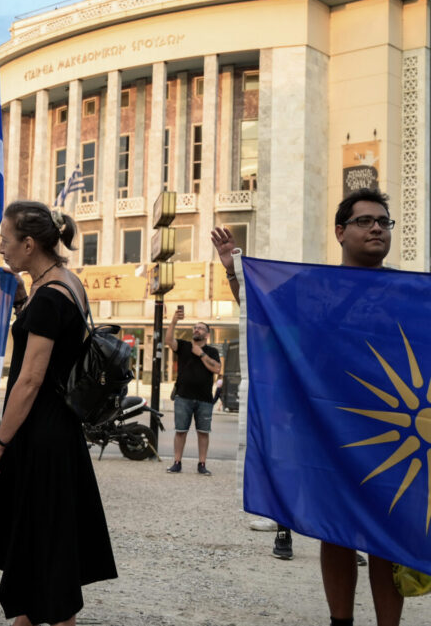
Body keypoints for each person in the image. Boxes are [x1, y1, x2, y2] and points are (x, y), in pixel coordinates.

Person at [213, 188, 404, 626]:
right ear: (340, 232)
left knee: (386, 537)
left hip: (389, 436)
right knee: (334, 530)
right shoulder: (312, 287)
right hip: (326, 430)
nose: (376, 228)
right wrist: (234, 272)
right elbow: (264, 315)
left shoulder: (407, 293)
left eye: (383, 222)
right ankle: (341, 622)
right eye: (365, 221)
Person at [0, 201, 117, 626]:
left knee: (44, 543)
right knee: (43, 539)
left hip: (40, 434)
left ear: (29, 243)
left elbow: (30, 379)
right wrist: (23, 299)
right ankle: (25, 617)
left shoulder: (48, 298)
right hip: (61, 430)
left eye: (6, 239)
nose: (1, 247)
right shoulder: (66, 283)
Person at [164, 313, 221, 476]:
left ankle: (202, 464)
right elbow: (169, 341)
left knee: (203, 433)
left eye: (201, 328)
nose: (197, 330)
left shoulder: (212, 351)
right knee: (180, 431)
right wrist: (174, 321)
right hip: (183, 397)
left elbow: (217, 368)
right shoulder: (183, 346)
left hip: (204, 399)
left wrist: (201, 354)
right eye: (195, 327)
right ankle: (177, 462)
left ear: (207, 334)